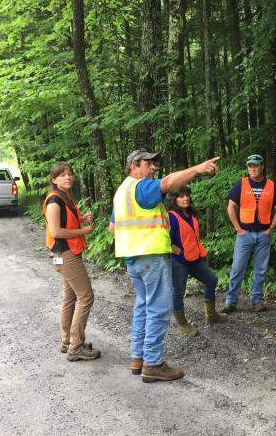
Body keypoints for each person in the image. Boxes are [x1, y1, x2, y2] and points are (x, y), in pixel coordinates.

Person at [112, 150, 219, 383]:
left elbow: (113, 226)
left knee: (143, 306)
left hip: (133, 258)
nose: (153, 168)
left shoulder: (122, 192)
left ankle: (137, 359)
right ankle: (153, 363)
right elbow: (169, 182)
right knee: (159, 308)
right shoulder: (141, 187)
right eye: (148, 164)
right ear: (134, 166)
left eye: (153, 164)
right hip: (150, 256)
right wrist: (198, 168)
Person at [44, 162, 100, 362]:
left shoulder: (65, 197)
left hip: (67, 253)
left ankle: (67, 340)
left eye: (70, 174)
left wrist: (82, 218)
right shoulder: (54, 201)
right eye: (62, 175)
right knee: (86, 297)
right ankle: (76, 347)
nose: (67, 177)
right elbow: (56, 232)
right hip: (64, 254)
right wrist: (83, 231)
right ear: (54, 179)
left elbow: (65, 223)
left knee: (70, 298)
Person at [222, 154, 276, 313]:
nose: (252, 168)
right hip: (245, 235)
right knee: (237, 268)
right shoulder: (241, 184)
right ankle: (231, 302)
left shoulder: (272, 186)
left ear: (262, 166)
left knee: (260, 270)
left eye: (255, 165)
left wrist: (270, 229)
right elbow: (231, 207)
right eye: (250, 165)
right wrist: (238, 229)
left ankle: (257, 301)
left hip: (263, 235)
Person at [167, 187, 228, 336]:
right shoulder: (171, 216)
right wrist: (179, 251)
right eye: (181, 196)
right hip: (178, 261)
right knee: (178, 292)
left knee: (211, 279)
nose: (185, 198)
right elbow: (165, 240)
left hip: (194, 258)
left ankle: (211, 315)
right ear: (174, 199)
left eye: (187, 195)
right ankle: (182, 325)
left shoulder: (191, 214)